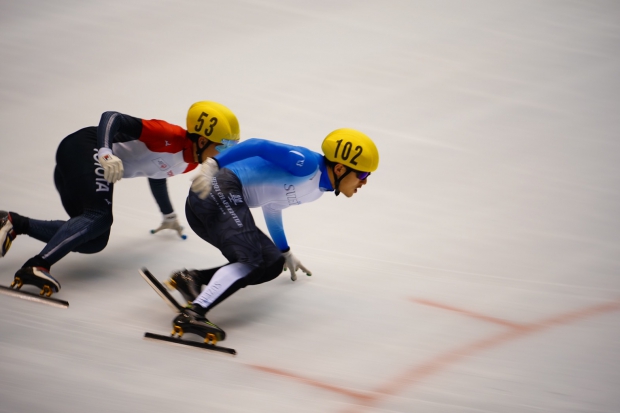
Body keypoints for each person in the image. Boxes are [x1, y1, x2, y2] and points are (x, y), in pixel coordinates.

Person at [0, 101, 240, 297]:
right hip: (84, 147)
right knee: (100, 216)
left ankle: (14, 222)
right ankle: (36, 265)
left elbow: (156, 175)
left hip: (79, 167)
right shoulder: (168, 134)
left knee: (94, 240)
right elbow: (112, 117)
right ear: (202, 140)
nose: (227, 154)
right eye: (225, 146)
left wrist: (168, 214)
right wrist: (105, 152)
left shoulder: (190, 163)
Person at [163, 128, 379, 343]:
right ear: (340, 168)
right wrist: (213, 165)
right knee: (251, 258)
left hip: (211, 205)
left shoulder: (316, 191)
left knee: (271, 262)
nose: (365, 181)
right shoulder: (307, 163)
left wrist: (284, 250)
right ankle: (193, 314)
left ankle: (192, 278)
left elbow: (272, 207)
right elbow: (259, 145)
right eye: (362, 174)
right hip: (214, 188)